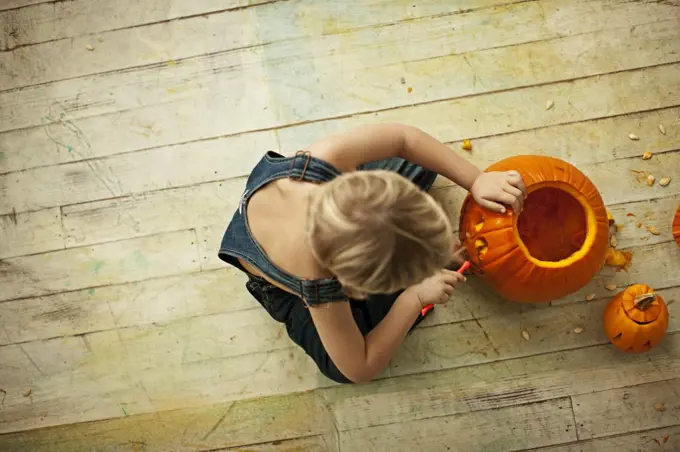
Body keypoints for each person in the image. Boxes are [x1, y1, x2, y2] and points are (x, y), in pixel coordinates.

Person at [218, 124, 526, 384]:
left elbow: (403, 139)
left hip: (314, 216)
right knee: (341, 364)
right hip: (280, 279)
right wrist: (412, 298)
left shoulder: (326, 158)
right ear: (354, 288)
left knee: (419, 159)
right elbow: (360, 368)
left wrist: (476, 179)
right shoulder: (319, 283)